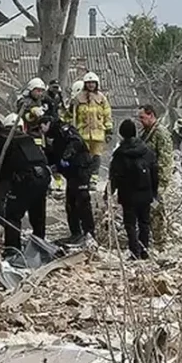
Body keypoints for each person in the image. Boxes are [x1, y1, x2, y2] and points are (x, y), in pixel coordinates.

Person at [0, 108, 52, 257]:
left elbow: (2, 167)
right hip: (42, 178)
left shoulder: (3, 140)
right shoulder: (29, 140)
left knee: (13, 215)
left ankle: (12, 249)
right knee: (38, 213)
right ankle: (39, 245)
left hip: (26, 179)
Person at [42, 112, 95, 242]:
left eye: (41, 127)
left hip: (81, 168)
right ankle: (75, 232)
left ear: (47, 124)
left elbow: (75, 142)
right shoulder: (51, 137)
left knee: (82, 201)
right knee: (71, 204)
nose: (41, 131)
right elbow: (53, 154)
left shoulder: (63, 129)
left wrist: (66, 156)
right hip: (70, 173)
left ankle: (89, 233)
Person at [110, 119, 159, 260]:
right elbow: (155, 171)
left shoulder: (119, 154)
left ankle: (134, 252)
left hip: (128, 195)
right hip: (146, 192)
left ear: (121, 134)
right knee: (145, 223)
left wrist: (110, 192)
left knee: (130, 224)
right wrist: (154, 192)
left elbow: (114, 175)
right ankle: (144, 250)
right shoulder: (146, 150)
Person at [138, 104, 174, 243]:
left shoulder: (160, 133)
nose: (140, 120)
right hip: (146, 179)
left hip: (156, 180)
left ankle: (160, 242)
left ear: (151, 115)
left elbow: (165, 161)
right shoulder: (145, 133)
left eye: (142, 117)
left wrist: (161, 184)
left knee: (156, 211)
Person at [71, 71, 113, 183]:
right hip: (82, 134)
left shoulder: (102, 98)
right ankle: (84, 178)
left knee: (96, 157)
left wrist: (109, 130)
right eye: (88, 83)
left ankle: (93, 180)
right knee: (84, 157)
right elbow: (71, 115)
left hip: (98, 134)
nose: (91, 85)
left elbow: (107, 114)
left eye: (93, 83)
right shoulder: (78, 98)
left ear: (97, 84)